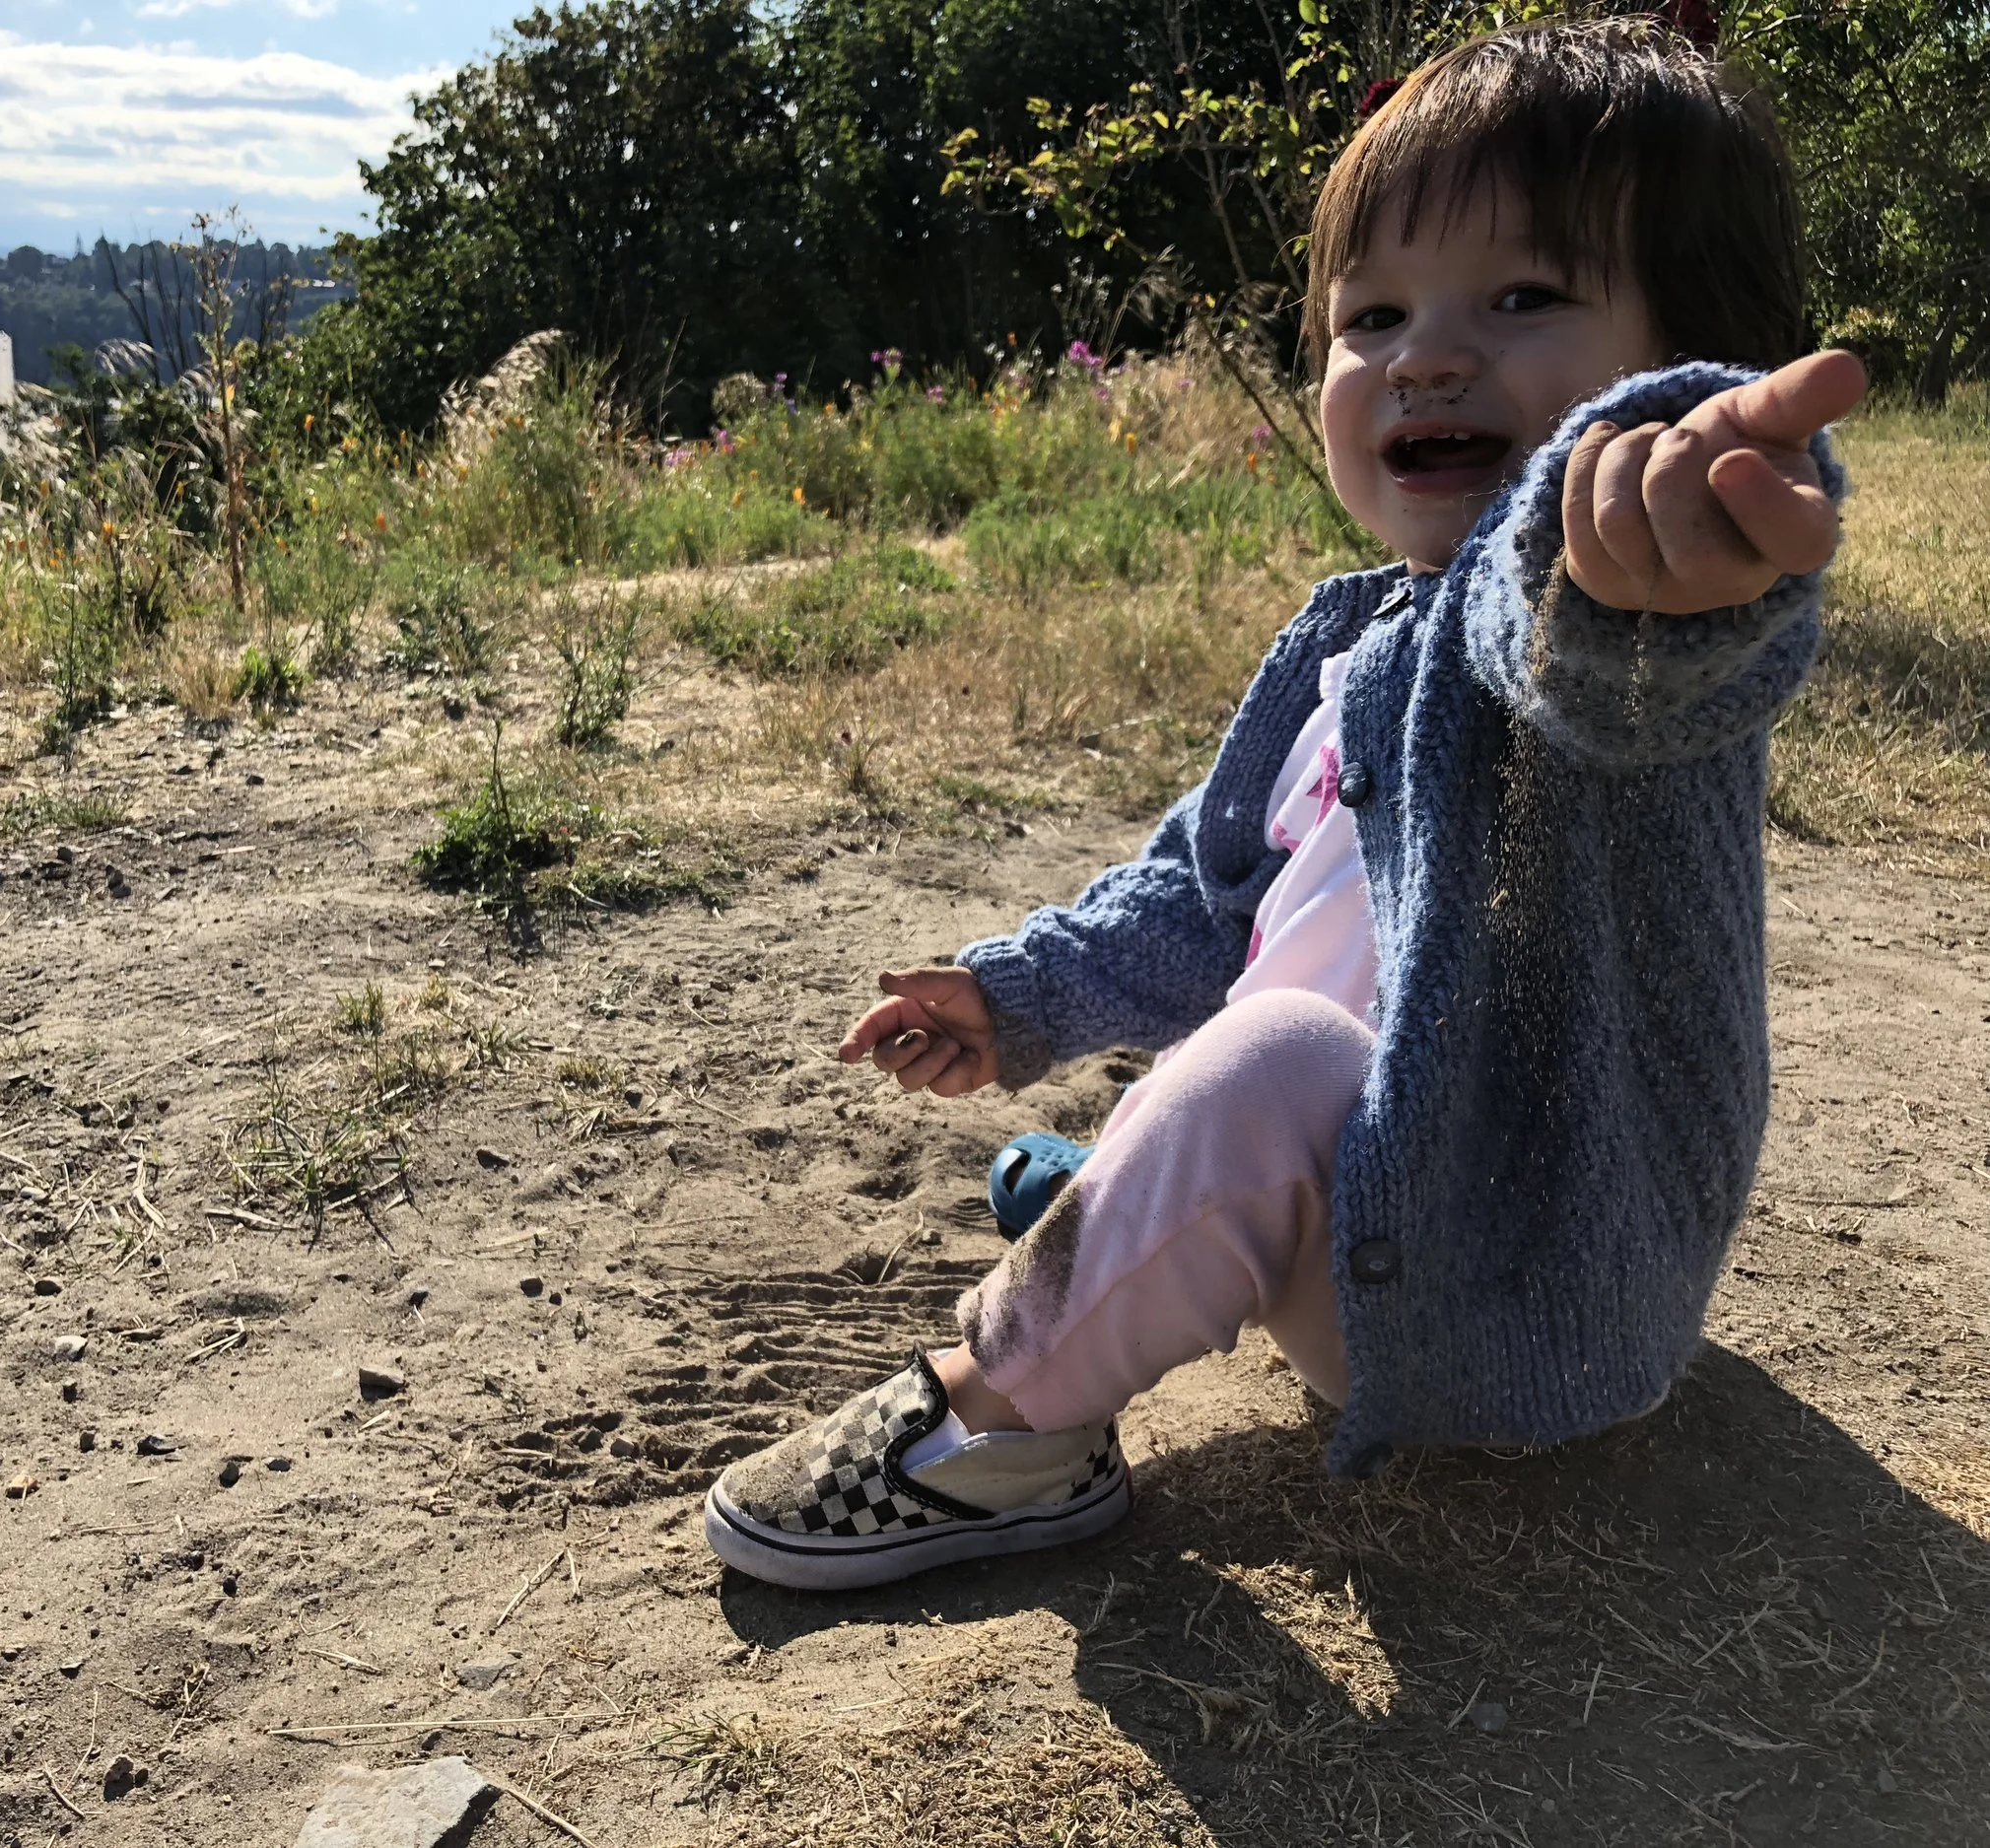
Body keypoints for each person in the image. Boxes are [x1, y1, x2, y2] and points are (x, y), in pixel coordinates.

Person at [703, 18, 1868, 1590]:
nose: (1425, 357)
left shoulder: (1596, 632)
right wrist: (1020, 989)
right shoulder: (1343, 638)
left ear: (1688, 355)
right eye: (1370, 315)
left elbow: (1615, 668)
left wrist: (1659, 556)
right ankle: (1154, 1219)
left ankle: (1005, 1425)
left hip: (1509, 1278)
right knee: (1255, 1038)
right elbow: (1204, 888)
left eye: (1522, 297)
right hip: (1356, 1199)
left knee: (1268, 1060)